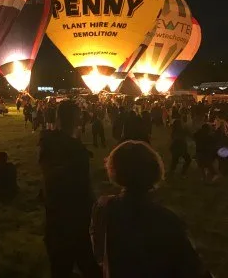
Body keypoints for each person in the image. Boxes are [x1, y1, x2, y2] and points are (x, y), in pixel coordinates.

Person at [90, 141, 212, 278]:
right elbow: (192, 269)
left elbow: (99, 253)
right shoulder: (167, 221)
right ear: (155, 171)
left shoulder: (103, 207)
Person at [39, 100, 101, 278]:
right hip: (76, 218)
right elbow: (83, 187)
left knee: (60, 267)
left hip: (54, 215)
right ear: (76, 119)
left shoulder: (47, 141)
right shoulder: (76, 151)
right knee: (91, 266)